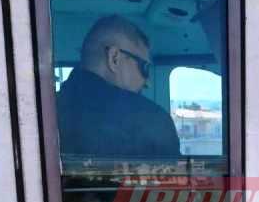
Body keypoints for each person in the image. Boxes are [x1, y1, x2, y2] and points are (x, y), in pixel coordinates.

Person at [57, 15, 180, 159]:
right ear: (114, 58)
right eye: (144, 67)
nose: (147, 83)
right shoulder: (153, 121)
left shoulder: (46, 112)